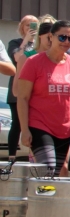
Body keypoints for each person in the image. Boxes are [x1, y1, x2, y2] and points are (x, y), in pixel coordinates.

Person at [16, 20, 70, 173]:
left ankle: (37, 189)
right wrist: (25, 129)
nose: (66, 42)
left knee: (54, 174)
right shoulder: (33, 62)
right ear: (51, 37)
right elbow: (22, 98)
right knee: (47, 170)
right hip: (39, 125)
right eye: (62, 37)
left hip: (64, 129)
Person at [6, 15, 37, 158]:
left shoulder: (41, 44)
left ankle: (33, 156)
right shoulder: (15, 43)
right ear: (22, 28)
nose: (31, 28)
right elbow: (17, 58)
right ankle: (11, 157)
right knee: (17, 123)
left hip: (34, 87)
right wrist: (26, 40)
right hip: (18, 86)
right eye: (28, 25)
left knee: (34, 123)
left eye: (34, 25)